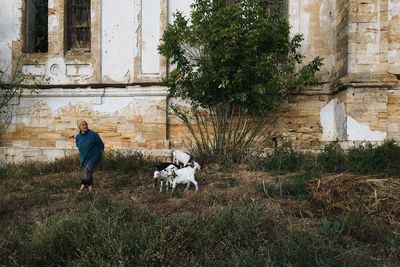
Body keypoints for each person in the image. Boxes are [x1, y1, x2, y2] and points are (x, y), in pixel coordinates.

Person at [76, 119, 104, 193]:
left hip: (94, 157)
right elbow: (78, 146)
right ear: (79, 127)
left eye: (86, 124)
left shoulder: (93, 134)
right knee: (89, 173)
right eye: (83, 125)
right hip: (84, 158)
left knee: (87, 171)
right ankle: (91, 190)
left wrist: (100, 153)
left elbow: (101, 144)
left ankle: (81, 188)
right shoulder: (78, 137)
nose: (85, 126)